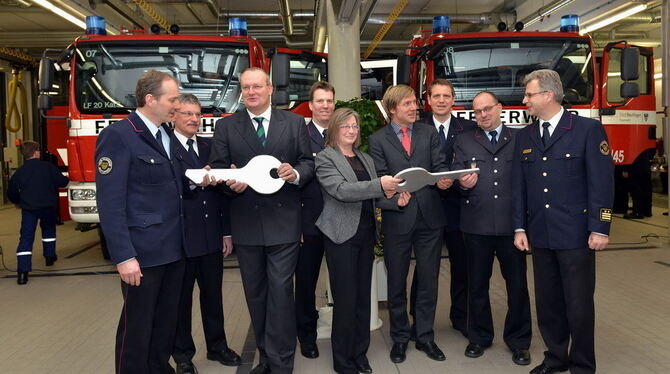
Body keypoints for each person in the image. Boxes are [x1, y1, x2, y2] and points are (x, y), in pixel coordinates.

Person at [209, 67, 314, 374]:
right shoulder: (227, 127)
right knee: (256, 295)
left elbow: (307, 162)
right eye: (246, 88)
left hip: (284, 223)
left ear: (270, 89)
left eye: (257, 86)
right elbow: (218, 170)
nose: (251, 92)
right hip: (247, 224)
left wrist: (294, 173)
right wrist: (231, 182)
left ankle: (282, 363)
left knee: (281, 293)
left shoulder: (294, 123)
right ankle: (267, 358)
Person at [512, 69, 614, 374]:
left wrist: (600, 227)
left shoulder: (586, 129)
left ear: (548, 95)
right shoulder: (525, 136)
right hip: (540, 234)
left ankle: (582, 364)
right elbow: (520, 186)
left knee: (579, 305)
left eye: (529, 94)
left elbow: (602, 184)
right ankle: (555, 357)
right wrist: (520, 227)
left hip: (576, 235)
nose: (524, 100)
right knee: (549, 304)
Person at [96, 70, 185, 373]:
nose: (178, 105)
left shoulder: (166, 134)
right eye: (173, 99)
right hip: (143, 254)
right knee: (137, 327)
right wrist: (123, 257)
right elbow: (110, 203)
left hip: (173, 250)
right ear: (151, 99)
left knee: (164, 323)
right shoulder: (119, 136)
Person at [315, 108, 409, 374]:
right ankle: (343, 361)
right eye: (345, 126)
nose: (351, 130)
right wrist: (382, 184)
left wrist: (394, 200)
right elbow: (341, 191)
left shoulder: (364, 158)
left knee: (361, 300)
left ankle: (359, 353)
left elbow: (372, 196)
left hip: (366, 234)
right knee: (345, 300)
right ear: (334, 129)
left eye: (355, 126)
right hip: (341, 236)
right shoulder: (325, 158)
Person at [368, 84, 452, 363]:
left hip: (430, 217)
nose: (415, 107)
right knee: (396, 283)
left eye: (415, 103)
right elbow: (379, 180)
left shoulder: (428, 133)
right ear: (392, 109)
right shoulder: (378, 140)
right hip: (397, 219)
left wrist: (444, 179)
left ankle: (425, 336)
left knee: (428, 280)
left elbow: (439, 165)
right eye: (407, 104)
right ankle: (400, 338)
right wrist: (394, 199)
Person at [453, 91, 532, 365]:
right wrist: (462, 183)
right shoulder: (463, 141)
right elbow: (454, 176)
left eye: (488, 109)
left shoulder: (520, 138)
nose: (483, 115)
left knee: (518, 287)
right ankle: (479, 337)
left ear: (499, 108)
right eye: (477, 112)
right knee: (476, 285)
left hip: (513, 227)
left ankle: (519, 342)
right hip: (476, 225)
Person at [170, 94, 241, 374]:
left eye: (197, 114)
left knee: (213, 296)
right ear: (173, 116)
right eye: (186, 113)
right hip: (182, 238)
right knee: (181, 300)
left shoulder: (210, 147)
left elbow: (222, 197)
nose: (192, 119)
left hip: (211, 235)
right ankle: (183, 355)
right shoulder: (166, 147)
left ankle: (217, 346)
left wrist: (226, 232)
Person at [410, 78, 477, 338]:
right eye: (436, 96)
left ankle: (461, 317)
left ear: (453, 99)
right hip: (426, 206)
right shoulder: (416, 127)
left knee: (462, 266)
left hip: (459, 208)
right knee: (424, 268)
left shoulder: (469, 128)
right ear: (428, 99)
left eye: (446, 96)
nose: (440, 100)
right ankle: (418, 319)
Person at [296, 81, 335, 359]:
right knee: (306, 284)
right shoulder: (298, 134)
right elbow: (291, 181)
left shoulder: (344, 133)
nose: (325, 106)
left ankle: (343, 336)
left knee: (342, 281)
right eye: (320, 101)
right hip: (308, 223)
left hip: (339, 222)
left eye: (329, 101)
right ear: (311, 105)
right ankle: (306, 337)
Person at [8, 141, 69, 285]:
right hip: (48, 207)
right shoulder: (47, 167)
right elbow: (62, 182)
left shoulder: (19, 172)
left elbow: (11, 192)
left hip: (29, 209)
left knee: (26, 238)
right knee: (48, 233)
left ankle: (22, 273)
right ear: (36, 152)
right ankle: (49, 258)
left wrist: (18, 202)